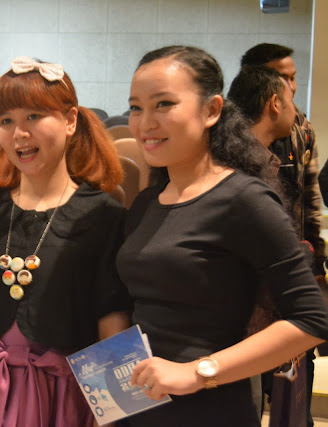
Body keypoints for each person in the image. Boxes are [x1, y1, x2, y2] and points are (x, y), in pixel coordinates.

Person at [115, 45, 328, 426]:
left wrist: (198, 372)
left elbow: (312, 319)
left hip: (211, 407)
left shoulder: (244, 199)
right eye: (136, 107)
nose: (145, 122)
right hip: (142, 403)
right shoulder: (148, 202)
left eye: (164, 104)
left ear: (212, 110)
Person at [0, 56, 131, 426]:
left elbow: (111, 322)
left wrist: (110, 417)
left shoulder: (104, 216)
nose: (18, 134)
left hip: (66, 395)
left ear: (70, 120)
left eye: (33, 117)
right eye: (6, 121)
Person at [241, 43, 325, 276]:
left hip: (292, 254)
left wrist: (317, 259)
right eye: (281, 78)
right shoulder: (231, 130)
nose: (290, 87)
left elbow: (309, 197)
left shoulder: (302, 129)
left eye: (293, 78)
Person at [227, 65, 296, 150]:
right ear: (275, 104)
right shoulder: (245, 156)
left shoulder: (228, 148)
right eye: (291, 101)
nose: (295, 110)